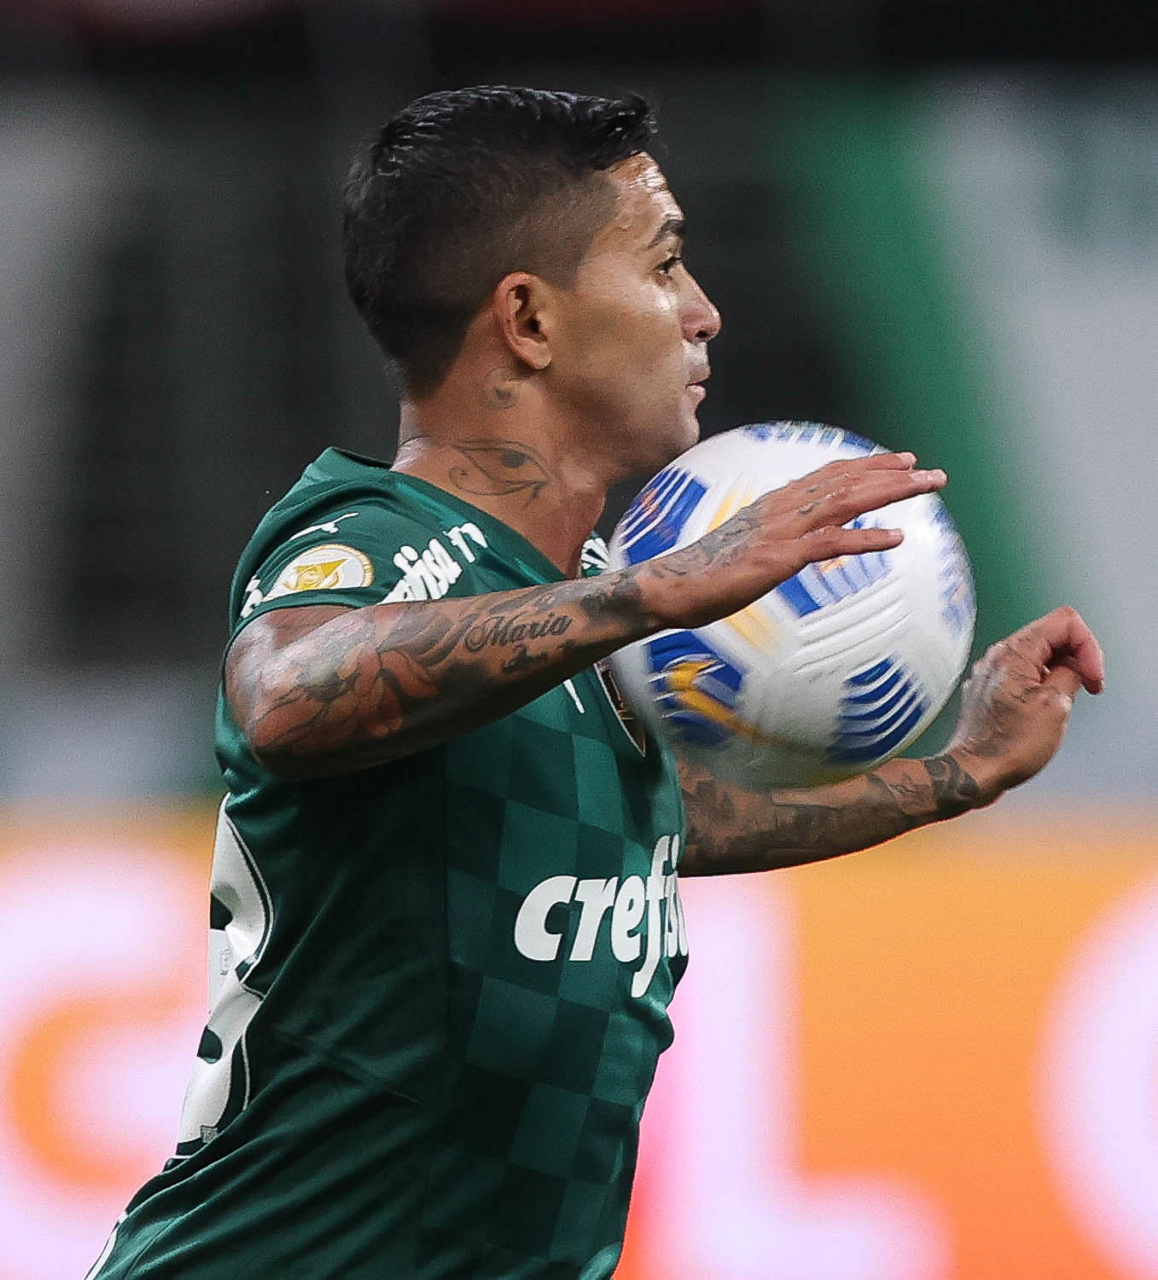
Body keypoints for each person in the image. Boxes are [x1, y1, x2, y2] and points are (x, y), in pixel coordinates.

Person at [88, 85, 1104, 1280]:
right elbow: (288, 694)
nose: (705, 311)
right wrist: (655, 593)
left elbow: (650, 824)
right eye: (665, 265)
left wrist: (957, 773)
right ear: (528, 319)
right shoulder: (377, 535)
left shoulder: (570, 616)